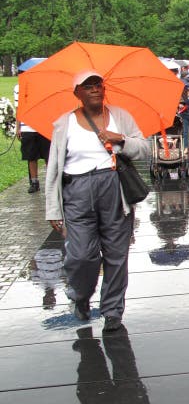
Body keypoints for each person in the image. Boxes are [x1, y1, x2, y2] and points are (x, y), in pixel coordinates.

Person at [45, 71, 150, 332]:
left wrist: (120, 139)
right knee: (81, 256)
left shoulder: (120, 116)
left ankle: (112, 311)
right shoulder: (64, 123)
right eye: (87, 86)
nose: (94, 89)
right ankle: (80, 296)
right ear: (77, 93)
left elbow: (144, 148)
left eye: (98, 85)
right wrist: (52, 208)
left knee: (116, 254)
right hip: (77, 191)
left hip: (113, 189)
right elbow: (54, 168)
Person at [14, 82, 50, 193]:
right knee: (31, 156)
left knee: (48, 156)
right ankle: (34, 182)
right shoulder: (18, 88)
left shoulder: (45, 85)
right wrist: (18, 126)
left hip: (45, 126)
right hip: (27, 127)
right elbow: (19, 108)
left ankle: (51, 181)